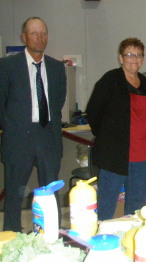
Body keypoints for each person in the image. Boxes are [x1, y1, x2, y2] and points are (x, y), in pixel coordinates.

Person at [0, 17, 67, 232]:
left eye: (44, 33)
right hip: (18, 138)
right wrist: (12, 128)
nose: (40, 38)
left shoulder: (57, 68)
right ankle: (11, 237)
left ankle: (52, 236)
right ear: (24, 37)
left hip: (48, 137)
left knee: (51, 191)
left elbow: (58, 101)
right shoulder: (7, 66)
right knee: (14, 193)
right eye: (34, 33)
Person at [86, 38, 146, 220]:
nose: (134, 59)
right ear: (121, 58)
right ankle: (101, 240)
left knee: (137, 207)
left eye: (138, 55)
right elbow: (93, 111)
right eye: (129, 55)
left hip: (142, 155)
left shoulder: (145, 82)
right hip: (115, 154)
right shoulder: (110, 79)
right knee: (107, 203)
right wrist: (107, 137)